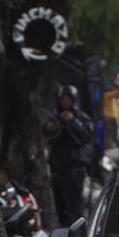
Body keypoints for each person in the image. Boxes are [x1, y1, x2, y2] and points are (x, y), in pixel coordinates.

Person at [45, 87, 93, 229]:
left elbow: (85, 137)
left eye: (69, 98)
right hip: (58, 167)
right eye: (63, 98)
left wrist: (72, 122)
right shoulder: (55, 118)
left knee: (74, 207)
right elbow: (48, 138)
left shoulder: (81, 118)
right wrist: (51, 128)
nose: (66, 101)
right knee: (59, 206)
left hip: (75, 168)